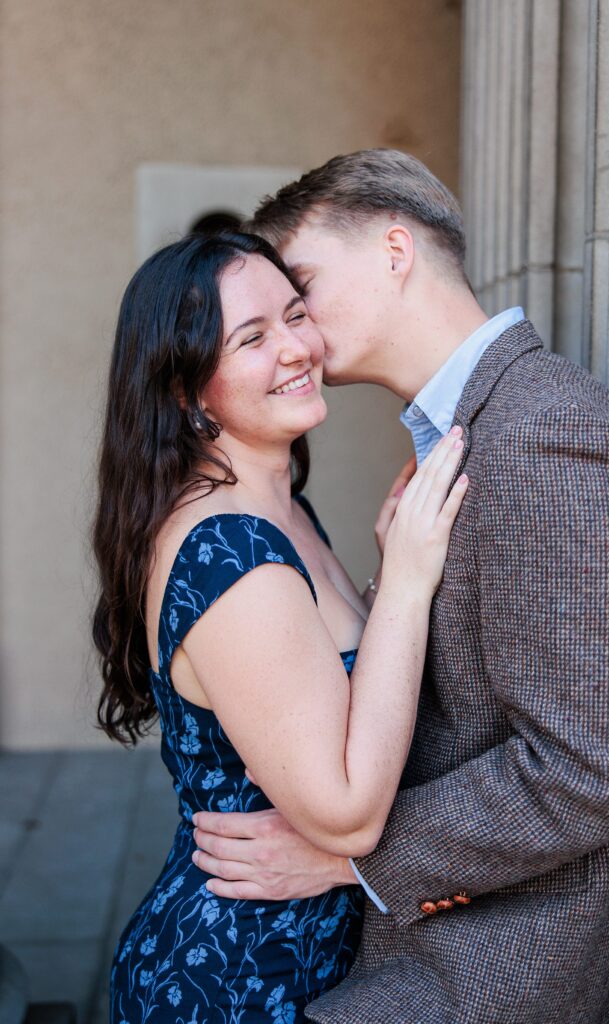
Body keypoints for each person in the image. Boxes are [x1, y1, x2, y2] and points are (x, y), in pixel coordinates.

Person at [191, 150, 609, 1024]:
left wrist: (350, 861)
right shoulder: (468, 433)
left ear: (393, 249)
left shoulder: (549, 437)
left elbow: (586, 774)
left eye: (301, 288)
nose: (295, 331)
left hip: (482, 979)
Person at [92, 230, 469, 1024]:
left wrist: (377, 578)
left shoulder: (279, 506)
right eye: (253, 337)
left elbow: (327, 689)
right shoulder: (230, 551)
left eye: (296, 314)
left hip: (296, 960)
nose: (297, 347)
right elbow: (348, 810)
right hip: (233, 981)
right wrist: (404, 584)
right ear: (187, 391)